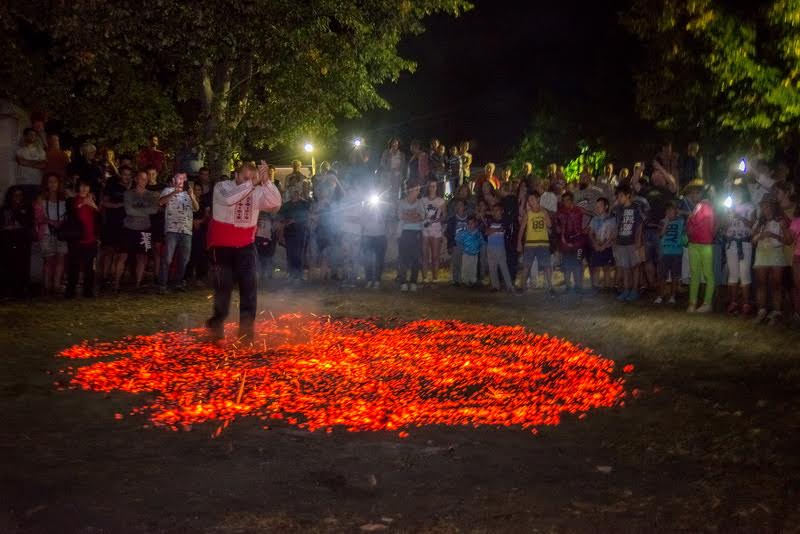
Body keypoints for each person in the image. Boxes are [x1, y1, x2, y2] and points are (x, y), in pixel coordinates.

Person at [206, 161, 282, 340]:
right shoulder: (222, 187)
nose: (248, 181)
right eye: (245, 177)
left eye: (252, 177)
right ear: (236, 175)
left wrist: (266, 182)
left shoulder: (255, 189)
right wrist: (253, 184)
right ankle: (217, 323)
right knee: (223, 287)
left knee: (249, 287)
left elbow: (275, 202)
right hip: (222, 245)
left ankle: (246, 330)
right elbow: (229, 199)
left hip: (246, 245)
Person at [115, 171, 159, 291]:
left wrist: (138, 209)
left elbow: (154, 210)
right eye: (141, 179)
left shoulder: (151, 194)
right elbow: (129, 210)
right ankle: (116, 283)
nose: (144, 181)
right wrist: (145, 210)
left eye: (146, 179)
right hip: (128, 229)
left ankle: (138, 284)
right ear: (136, 179)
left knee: (142, 257)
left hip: (145, 230)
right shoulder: (129, 194)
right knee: (122, 255)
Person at [752, 198, 792, 325]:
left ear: (773, 207)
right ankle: (762, 310)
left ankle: (776, 312)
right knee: (761, 284)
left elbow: (788, 241)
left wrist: (772, 235)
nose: (765, 209)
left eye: (767, 206)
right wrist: (759, 236)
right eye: (763, 206)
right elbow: (752, 241)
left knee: (776, 285)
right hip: (761, 253)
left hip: (776, 254)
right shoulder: (759, 222)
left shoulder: (781, 221)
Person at [158, 173, 199, 292]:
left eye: (183, 178)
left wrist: (192, 196)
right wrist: (173, 193)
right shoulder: (167, 190)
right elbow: (160, 202)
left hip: (186, 230)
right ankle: (163, 284)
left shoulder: (188, 193)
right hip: (172, 230)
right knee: (167, 258)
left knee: (184, 259)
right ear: (173, 180)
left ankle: (178, 282)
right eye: (179, 178)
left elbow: (196, 208)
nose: (181, 180)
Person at [64, 179, 100, 299]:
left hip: (91, 239)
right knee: (73, 266)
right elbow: (71, 212)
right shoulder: (72, 200)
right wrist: (82, 203)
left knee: (89, 268)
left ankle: (88, 291)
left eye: (87, 186)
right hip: (76, 239)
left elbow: (99, 218)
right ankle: (70, 291)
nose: (84, 189)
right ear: (78, 187)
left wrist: (93, 205)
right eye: (82, 186)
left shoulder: (92, 200)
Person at [98, 165, 133, 288]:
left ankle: (116, 281)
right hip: (112, 222)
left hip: (126, 224)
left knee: (122, 253)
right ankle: (104, 277)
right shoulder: (112, 186)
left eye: (129, 175)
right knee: (109, 251)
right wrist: (117, 205)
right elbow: (103, 202)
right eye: (124, 174)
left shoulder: (133, 188)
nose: (127, 177)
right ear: (120, 175)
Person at [723, 185, 755, 314]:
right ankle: (733, 302)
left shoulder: (750, 206)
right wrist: (729, 217)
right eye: (734, 193)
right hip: (731, 244)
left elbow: (753, 224)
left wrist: (741, 217)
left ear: (743, 193)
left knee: (745, 273)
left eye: (738, 192)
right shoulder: (728, 208)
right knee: (733, 274)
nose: (736, 194)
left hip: (745, 244)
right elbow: (724, 226)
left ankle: (746, 304)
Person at [35, 173, 68, 296]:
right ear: (46, 184)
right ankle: (47, 286)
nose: (53, 184)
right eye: (50, 182)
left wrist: (61, 223)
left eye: (55, 181)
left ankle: (56, 285)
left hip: (61, 233)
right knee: (49, 260)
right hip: (47, 232)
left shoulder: (64, 198)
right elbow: (38, 217)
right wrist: (51, 222)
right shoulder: (41, 199)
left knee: (61, 259)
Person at [685, 186, 716, 313]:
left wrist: (690, 219)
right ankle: (695, 303)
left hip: (703, 244)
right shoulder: (702, 207)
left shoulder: (703, 207)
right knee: (698, 274)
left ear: (700, 194)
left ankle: (704, 303)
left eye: (693, 194)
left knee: (705, 274)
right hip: (697, 243)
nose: (691, 196)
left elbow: (693, 223)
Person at [1, 186, 35, 298]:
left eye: (20, 195)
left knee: (22, 266)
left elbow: (28, 224)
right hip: (7, 240)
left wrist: (19, 212)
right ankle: (6, 289)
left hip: (22, 241)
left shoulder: (27, 208)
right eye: (15, 195)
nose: (17, 197)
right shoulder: (4, 209)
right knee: (7, 266)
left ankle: (19, 290)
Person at [613, 185, 644, 302]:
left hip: (632, 242)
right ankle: (626, 290)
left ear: (628, 196)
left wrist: (638, 241)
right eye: (618, 196)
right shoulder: (619, 210)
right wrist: (616, 240)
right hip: (622, 242)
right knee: (625, 268)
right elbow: (617, 226)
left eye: (621, 196)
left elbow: (639, 225)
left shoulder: (635, 208)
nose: (619, 198)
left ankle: (634, 290)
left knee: (635, 267)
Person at [517, 191, 553, 293]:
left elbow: (550, 225)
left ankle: (550, 286)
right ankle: (522, 286)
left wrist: (544, 213)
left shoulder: (544, 212)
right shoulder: (528, 214)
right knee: (526, 266)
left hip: (543, 242)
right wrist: (519, 242)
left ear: (538, 199)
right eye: (529, 200)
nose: (530, 201)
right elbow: (522, 229)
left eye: (532, 199)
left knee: (546, 265)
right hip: (530, 243)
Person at [555, 191, 587, 292]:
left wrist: (587, 228)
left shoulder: (579, 210)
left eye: (567, 200)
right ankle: (568, 286)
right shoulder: (560, 212)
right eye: (563, 201)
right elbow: (555, 224)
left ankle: (578, 285)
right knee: (567, 264)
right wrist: (558, 228)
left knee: (578, 263)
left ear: (572, 200)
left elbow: (592, 215)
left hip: (578, 241)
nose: (565, 202)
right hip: (565, 241)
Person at [655, 201, 685, 304]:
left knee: (675, 276)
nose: (670, 213)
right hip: (665, 252)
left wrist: (682, 212)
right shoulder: (662, 221)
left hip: (677, 252)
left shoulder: (681, 221)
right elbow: (660, 235)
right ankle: (660, 295)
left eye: (672, 210)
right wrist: (666, 223)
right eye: (668, 211)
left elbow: (691, 214)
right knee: (662, 275)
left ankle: (673, 296)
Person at [279, 185, 311, 282]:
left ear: (299, 193)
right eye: (292, 192)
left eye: (296, 191)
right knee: (290, 253)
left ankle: (299, 273)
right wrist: (283, 225)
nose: (294, 193)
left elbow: (307, 216)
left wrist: (294, 220)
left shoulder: (305, 204)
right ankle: (291, 273)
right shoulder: (286, 205)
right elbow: (280, 218)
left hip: (301, 231)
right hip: (289, 232)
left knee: (300, 253)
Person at [396, 184, 425, 291]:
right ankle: (403, 281)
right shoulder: (402, 202)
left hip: (416, 232)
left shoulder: (419, 202)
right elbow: (400, 216)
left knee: (416, 258)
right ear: (409, 190)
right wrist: (414, 216)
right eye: (416, 190)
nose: (418, 192)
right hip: (404, 232)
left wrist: (408, 217)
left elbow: (422, 216)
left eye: (418, 190)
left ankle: (413, 281)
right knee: (403, 258)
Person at [186, 181, 212, 284]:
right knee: (190, 252)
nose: (197, 191)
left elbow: (207, 215)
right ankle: (187, 276)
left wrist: (199, 221)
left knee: (201, 252)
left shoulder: (204, 202)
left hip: (201, 230)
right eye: (195, 189)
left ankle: (200, 277)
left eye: (199, 190)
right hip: (188, 228)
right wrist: (192, 221)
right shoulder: (187, 200)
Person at [361, 192, 389, 289]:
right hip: (367, 236)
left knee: (379, 260)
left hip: (380, 236)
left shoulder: (383, 208)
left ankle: (377, 280)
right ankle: (368, 279)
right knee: (367, 259)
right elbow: (362, 221)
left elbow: (384, 221)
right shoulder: (364, 208)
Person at [588, 197, 616, 292]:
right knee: (596, 267)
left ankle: (607, 287)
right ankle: (596, 286)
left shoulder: (612, 219)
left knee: (606, 267)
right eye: (597, 206)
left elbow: (613, 234)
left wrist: (604, 245)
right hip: (597, 245)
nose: (597, 208)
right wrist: (595, 244)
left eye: (600, 206)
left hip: (607, 246)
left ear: (606, 207)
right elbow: (591, 233)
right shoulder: (594, 219)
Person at [421, 178, 445, 283]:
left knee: (435, 256)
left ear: (437, 187)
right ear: (428, 187)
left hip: (436, 229)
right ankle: (425, 278)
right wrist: (424, 218)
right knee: (424, 255)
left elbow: (444, 216)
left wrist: (435, 220)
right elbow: (420, 214)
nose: (432, 188)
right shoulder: (423, 200)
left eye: (434, 186)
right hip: (425, 229)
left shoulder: (441, 201)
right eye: (430, 186)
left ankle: (435, 278)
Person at [15, 128, 47, 201]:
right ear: (25, 136)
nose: (33, 136)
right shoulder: (20, 150)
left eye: (35, 135)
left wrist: (26, 162)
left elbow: (43, 165)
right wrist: (37, 163)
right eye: (31, 135)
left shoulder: (41, 151)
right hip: (23, 182)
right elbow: (20, 161)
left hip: (37, 182)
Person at [445, 199, 470, 286]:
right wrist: (450, 245)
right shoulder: (452, 219)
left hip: (466, 244)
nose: (459, 207)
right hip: (456, 244)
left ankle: (463, 279)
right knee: (456, 262)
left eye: (461, 205)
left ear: (465, 207)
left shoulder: (469, 219)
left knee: (465, 262)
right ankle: (455, 279)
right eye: (457, 205)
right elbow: (448, 233)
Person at [455, 215, 482, 287]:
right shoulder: (464, 233)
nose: (470, 225)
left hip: (475, 253)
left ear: (475, 223)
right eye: (469, 223)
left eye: (472, 223)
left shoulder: (478, 233)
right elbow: (457, 238)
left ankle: (473, 280)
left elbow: (481, 241)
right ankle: (465, 280)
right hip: (466, 253)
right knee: (465, 267)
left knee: (473, 267)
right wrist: (462, 247)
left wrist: (478, 247)